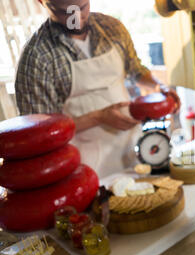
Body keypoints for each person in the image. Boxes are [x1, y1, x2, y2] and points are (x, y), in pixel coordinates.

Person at [15, 0, 180, 178]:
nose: (76, 18)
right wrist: (99, 117)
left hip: (135, 154)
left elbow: (135, 70)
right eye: (65, 12)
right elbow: (41, 135)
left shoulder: (112, 28)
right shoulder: (36, 59)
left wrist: (159, 86)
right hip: (83, 169)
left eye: (83, 7)